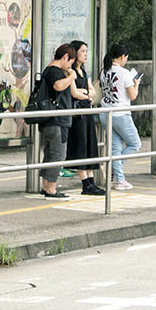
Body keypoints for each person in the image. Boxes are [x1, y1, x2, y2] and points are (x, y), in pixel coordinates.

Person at [35, 41, 79, 198]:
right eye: (71, 62)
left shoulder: (48, 70)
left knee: (49, 155)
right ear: (66, 57)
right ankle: (51, 189)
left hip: (50, 120)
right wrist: (72, 76)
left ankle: (46, 186)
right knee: (58, 155)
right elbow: (58, 86)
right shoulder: (55, 71)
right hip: (57, 120)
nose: (70, 66)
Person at [64, 39, 103, 196]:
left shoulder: (84, 72)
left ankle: (91, 182)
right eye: (82, 51)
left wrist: (85, 93)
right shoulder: (70, 71)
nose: (86, 54)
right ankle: (85, 183)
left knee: (90, 145)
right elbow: (74, 93)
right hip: (77, 114)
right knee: (80, 146)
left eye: (87, 51)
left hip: (87, 112)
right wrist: (87, 94)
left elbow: (93, 91)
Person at [101, 43, 141, 191]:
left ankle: (119, 179)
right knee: (135, 144)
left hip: (105, 113)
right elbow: (132, 95)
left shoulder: (103, 71)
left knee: (115, 149)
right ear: (122, 57)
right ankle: (114, 169)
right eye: (126, 57)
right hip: (121, 114)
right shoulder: (124, 73)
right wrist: (136, 84)